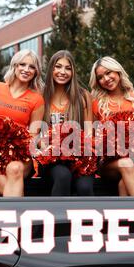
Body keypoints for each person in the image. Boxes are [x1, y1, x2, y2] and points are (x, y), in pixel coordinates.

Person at [0, 49, 45, 197]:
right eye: (23, 64)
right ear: (14, 66)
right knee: (11, 190)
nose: (26, 69)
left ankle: (12, 217)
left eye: (32, 67)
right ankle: (18, 216)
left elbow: (33, 135)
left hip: (19, 156)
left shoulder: (37, 99)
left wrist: (13, 148)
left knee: (15, 168)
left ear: (36, 72)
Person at [90, 56, 134, 196]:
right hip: (108, 162)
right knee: (126, 164)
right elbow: (92, 137)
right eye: (100, 77)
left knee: (124, 183)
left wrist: (131, 143)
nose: (106, 79)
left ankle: (131, 217)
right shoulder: (96, 104)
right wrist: (112, 144)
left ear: (117, 72)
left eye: (108, 73)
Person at [42, 50, 94, 196]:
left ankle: (88, 219)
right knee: (63, 176)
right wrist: (50, 147)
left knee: (85, 187)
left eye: (68, 68)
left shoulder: (83, 96)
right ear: (51, 68)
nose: (62, 72)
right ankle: (59, 218)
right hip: (51, 160)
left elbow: (89, 131)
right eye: (58, 67)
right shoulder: (41, 96)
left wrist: (84, 148)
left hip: (79, 158)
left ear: (73, 72)